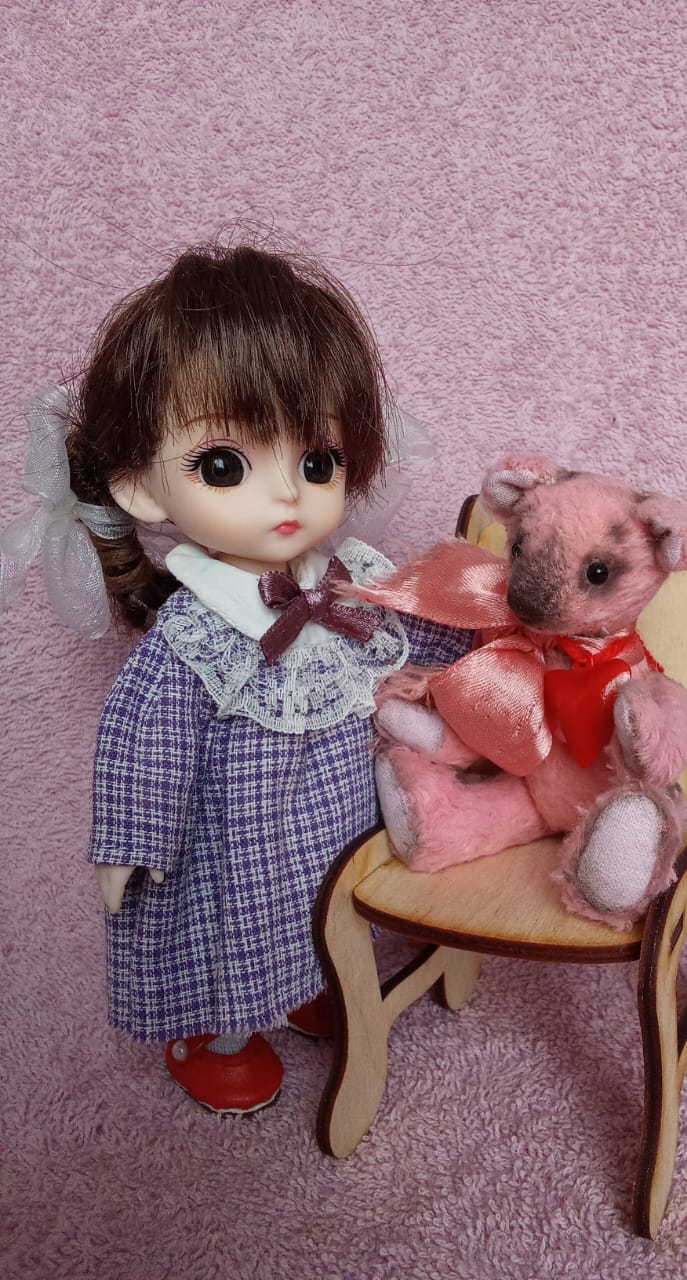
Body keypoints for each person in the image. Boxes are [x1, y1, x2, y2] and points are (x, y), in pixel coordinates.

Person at [0, 244, 472, 1114]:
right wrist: (132, 844)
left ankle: (309, 982)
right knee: (238, 924)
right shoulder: (197, 638)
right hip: (238, 829)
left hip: (336, 816)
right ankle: (216, 1033)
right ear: (141, 487)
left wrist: (489, 647)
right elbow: (143, 734)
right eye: (225, 465)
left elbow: (411, 632)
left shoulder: (345, 583)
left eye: (317, 461)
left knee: (326, 903)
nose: (287, 495)